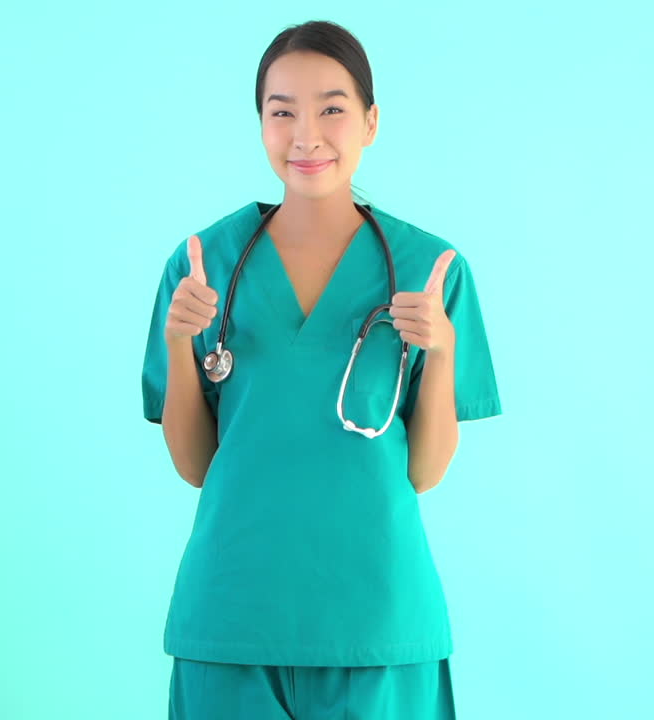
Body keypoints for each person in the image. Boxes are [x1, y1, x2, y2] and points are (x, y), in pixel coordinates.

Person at [140, 19, 502, 719]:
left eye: (332, 109)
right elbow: (194, 465)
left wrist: (445, 348)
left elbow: (424, 471)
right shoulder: (199, 266)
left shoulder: (432, 271)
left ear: (370, 121)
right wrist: (182, 345)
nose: (306, 135)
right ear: (261, 124)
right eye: (282, 112)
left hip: (377, 628)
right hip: (232, 619)